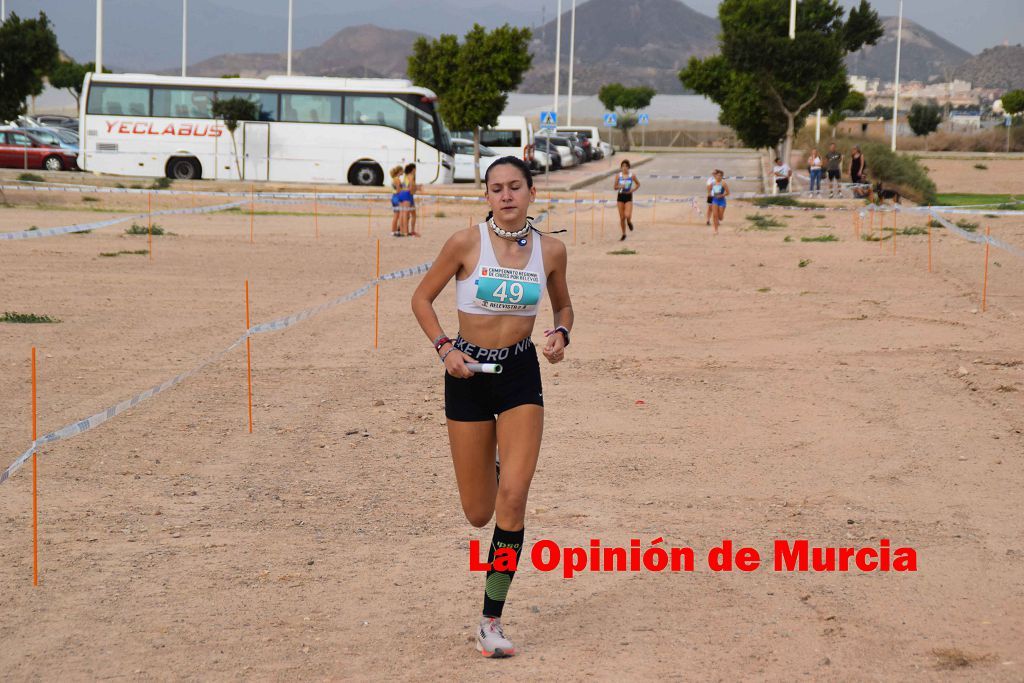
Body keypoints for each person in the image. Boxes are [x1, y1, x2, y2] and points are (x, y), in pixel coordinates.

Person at [410, 156, 573, 659]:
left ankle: (490, 620)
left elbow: (564, 304)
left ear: (530, 192)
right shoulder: (464, 243)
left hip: (521, 374)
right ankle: (496, 469)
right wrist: (445, 348)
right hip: (467, 376)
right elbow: (420, 298)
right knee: (479, 512)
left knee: (515, 499)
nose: (506, 195)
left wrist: (561, 331)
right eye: (497, 188)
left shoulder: (551, 250)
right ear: (487, 196)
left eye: (515, 187)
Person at [613, 159, 639, 240]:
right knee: (621, 217)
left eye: (626, 166)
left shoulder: (632, 175)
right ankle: (624, 234)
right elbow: (614, 187)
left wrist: (632, 190)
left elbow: (638, 184)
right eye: (623, 166)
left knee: (627, 215)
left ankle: (629, 222)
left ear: (628, 167)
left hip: (628, 196)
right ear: (621, 167)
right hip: (620, 196)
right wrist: (620, 186)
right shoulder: (618, 176)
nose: (624, 168)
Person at [708, 169, 729, 234]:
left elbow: (728, 193)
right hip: (714, 200)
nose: (719, 177)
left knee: (720, 217)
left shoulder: (723, 183)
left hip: (722, 201)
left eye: (720, 175)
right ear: (715, 176)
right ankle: (716, 230)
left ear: (722, 176)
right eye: (717, 175)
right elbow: (709, 192)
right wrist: (709, 201)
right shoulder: (712, 183)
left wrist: (722, 195)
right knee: (715, 215)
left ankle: (721, 217)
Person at [404, 163, 420, 237]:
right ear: (413, 169)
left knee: (409, 214)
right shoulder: (411, 176)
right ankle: (410, 231)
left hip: (408, 196)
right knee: (411, 215)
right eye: (415, 169)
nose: (416, 170)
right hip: (409, 196)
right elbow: (410, 186)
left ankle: (406, 230)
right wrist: (416, 188)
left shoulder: (406, 176)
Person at [389, 166, 404, 237]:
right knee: (396, 215)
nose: (403, 172)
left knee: (397, 215)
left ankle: (395, 230)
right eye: (402, 171)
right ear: (399, 171)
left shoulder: (394, 179)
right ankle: (393, 231)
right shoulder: (397, 179)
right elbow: (398, 190)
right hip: (397, 197)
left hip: (395, 197)